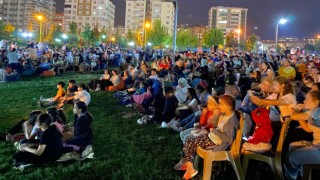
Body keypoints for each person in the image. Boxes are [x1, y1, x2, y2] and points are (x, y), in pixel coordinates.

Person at [173, 95, 240, 179]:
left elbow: (228, 139)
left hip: (217, 143)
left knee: (191, 141)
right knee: (190, 140)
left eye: (221, 104)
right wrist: (216, 117)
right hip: (211, 138)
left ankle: (189, 167)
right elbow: (216, 125)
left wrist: (216, 131)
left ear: (229, 105)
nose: (219, 106)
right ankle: (188, 165)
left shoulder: (232, 121)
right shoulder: (225, 114)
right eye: (219, 103)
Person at [285, 91, 320, 180]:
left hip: (318, 149)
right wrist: (300, 115)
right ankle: (300, 174)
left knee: (290, 157)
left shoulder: (317, 111)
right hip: (316, 145)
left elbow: (293, 117)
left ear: (316, 102)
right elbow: (308, 129)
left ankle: (292, 177)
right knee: (292, 146)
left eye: (307, 99)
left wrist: (296, 110)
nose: (304, 101)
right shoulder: (314, 113)